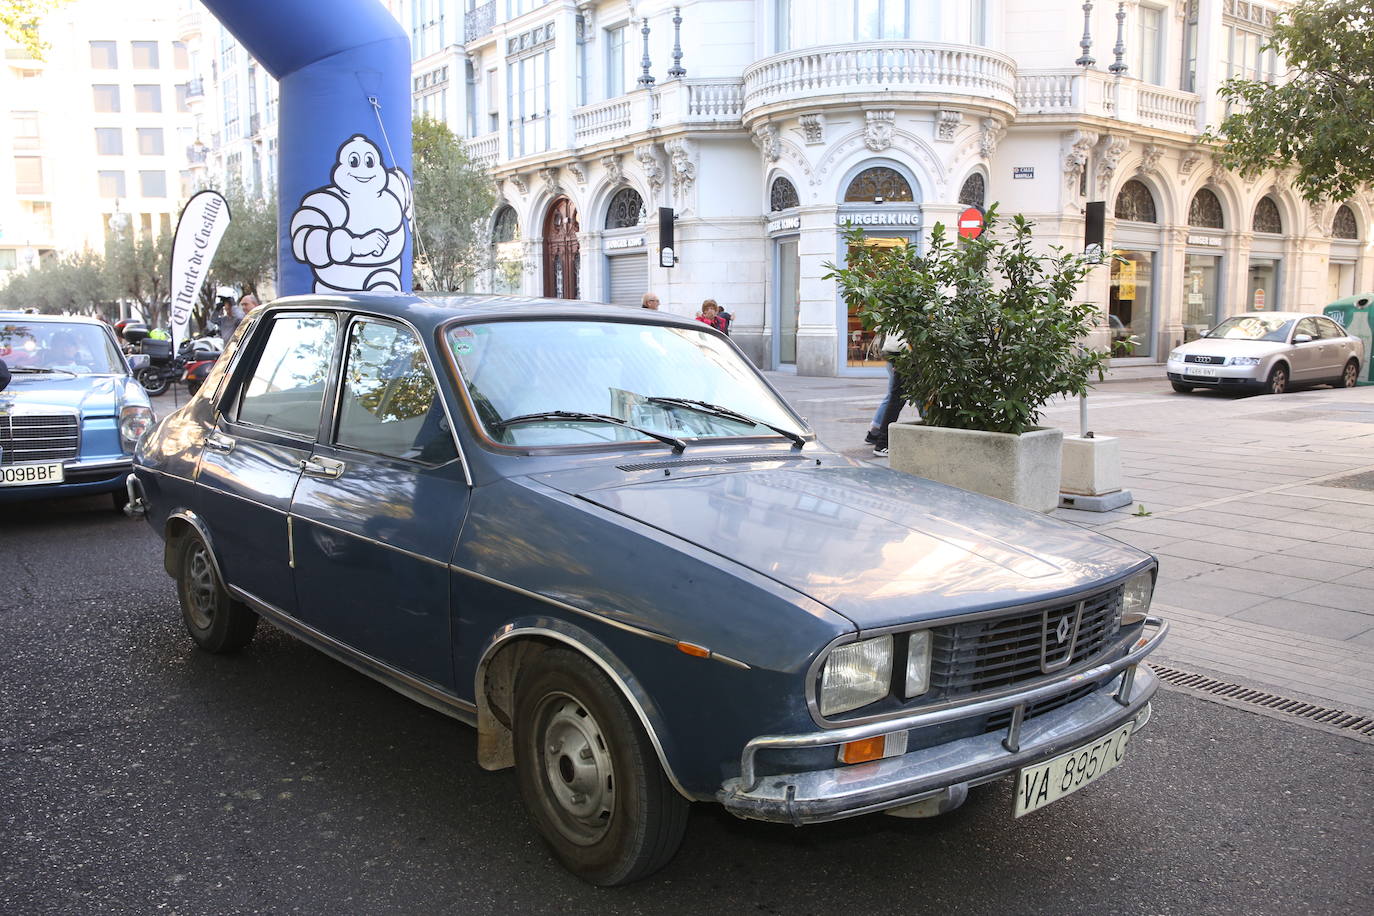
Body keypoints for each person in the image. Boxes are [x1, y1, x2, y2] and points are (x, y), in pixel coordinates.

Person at [865, 332, 912, 458]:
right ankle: (882, 443)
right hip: (904, 351)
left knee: (897, 397)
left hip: (899, 351)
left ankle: (879, 437)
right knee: (897, 397)